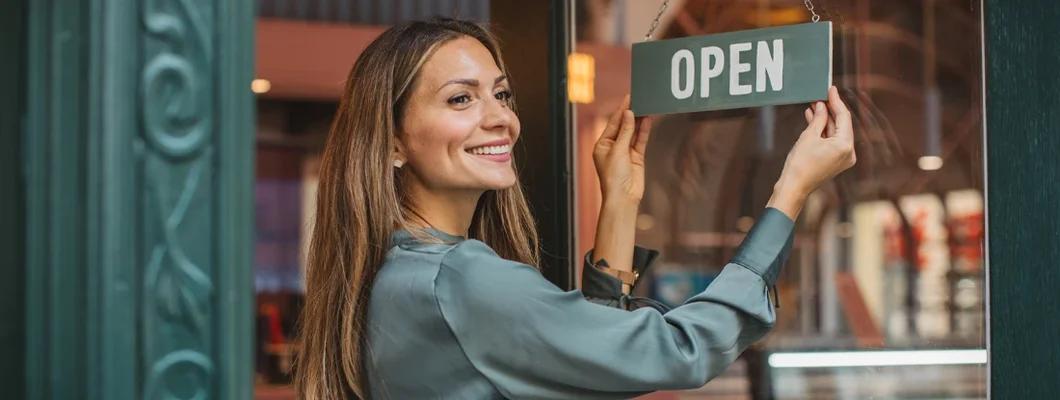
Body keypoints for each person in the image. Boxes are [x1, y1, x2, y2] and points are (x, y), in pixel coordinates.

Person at [294, 18, 856, 400]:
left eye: (502, 94)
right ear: (392, 142)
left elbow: (595, 367)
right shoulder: (460, 279)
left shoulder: (398, 272)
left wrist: (620, 204)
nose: (500, 118)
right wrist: (791, 190)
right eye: (461, 98)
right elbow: (680, 351)